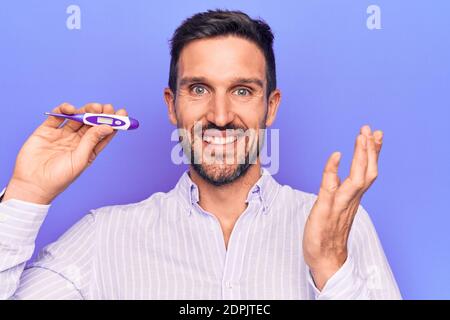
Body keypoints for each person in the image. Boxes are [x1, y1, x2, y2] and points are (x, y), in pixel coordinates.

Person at [0, 10, 400, 299]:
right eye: (199, 89)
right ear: (172, 105)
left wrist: (330, 268)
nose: (221, 116)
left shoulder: (341, 229)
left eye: (242, 90)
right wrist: (26, 192)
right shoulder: (103, 238)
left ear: (271, 105)